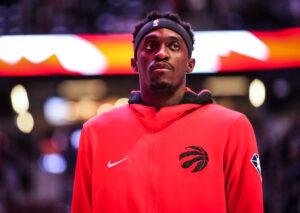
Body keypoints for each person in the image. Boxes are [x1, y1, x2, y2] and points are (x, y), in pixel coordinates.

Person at [71, 11, 263, 213]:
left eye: (174, 46)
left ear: (190, 64)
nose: (161, 53)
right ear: (134, 63)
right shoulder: (96, 132)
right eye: (150, 45)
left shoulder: (232, 127)